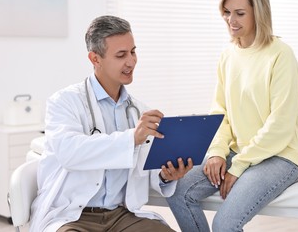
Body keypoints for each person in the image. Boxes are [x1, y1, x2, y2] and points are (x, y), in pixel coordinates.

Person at [166, 0, 298, 232]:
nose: (231, 20)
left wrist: (239, 165)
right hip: (238, 152)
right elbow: (220, 110)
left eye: (240, 13)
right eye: (227, 13)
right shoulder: (228, 54)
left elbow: (281, 124)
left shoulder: (280, 54)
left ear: (258, 13)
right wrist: (217, 152)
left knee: (225, 223)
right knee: (178, 191)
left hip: (279, 156)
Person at [30, 15, 193, 232]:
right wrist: (131, 138)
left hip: (121, 216)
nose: (131, 61)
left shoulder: (139, 111)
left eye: (133, 51)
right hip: (72, 216)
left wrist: (165, 175)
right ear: (95, 59)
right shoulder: (64, 102)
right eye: (121, 55)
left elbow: (146, 168)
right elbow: (69, 153)